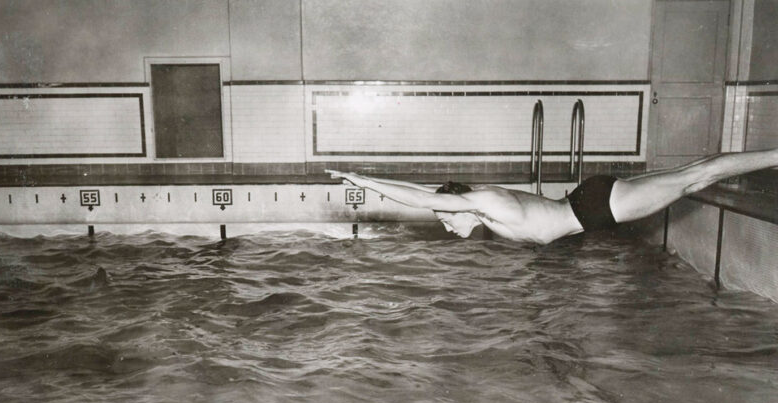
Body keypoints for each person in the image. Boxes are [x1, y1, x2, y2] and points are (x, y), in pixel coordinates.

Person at [327, 147, 778, 244]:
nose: (446, 224)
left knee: (696, 173)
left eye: (448, 216)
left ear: (460, 201)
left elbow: (423, 198)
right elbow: (430, 198)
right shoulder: (487, 209)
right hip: (590, 203)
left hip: (599, 207)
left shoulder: (484, 202)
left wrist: (364, 181)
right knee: (693, 178)